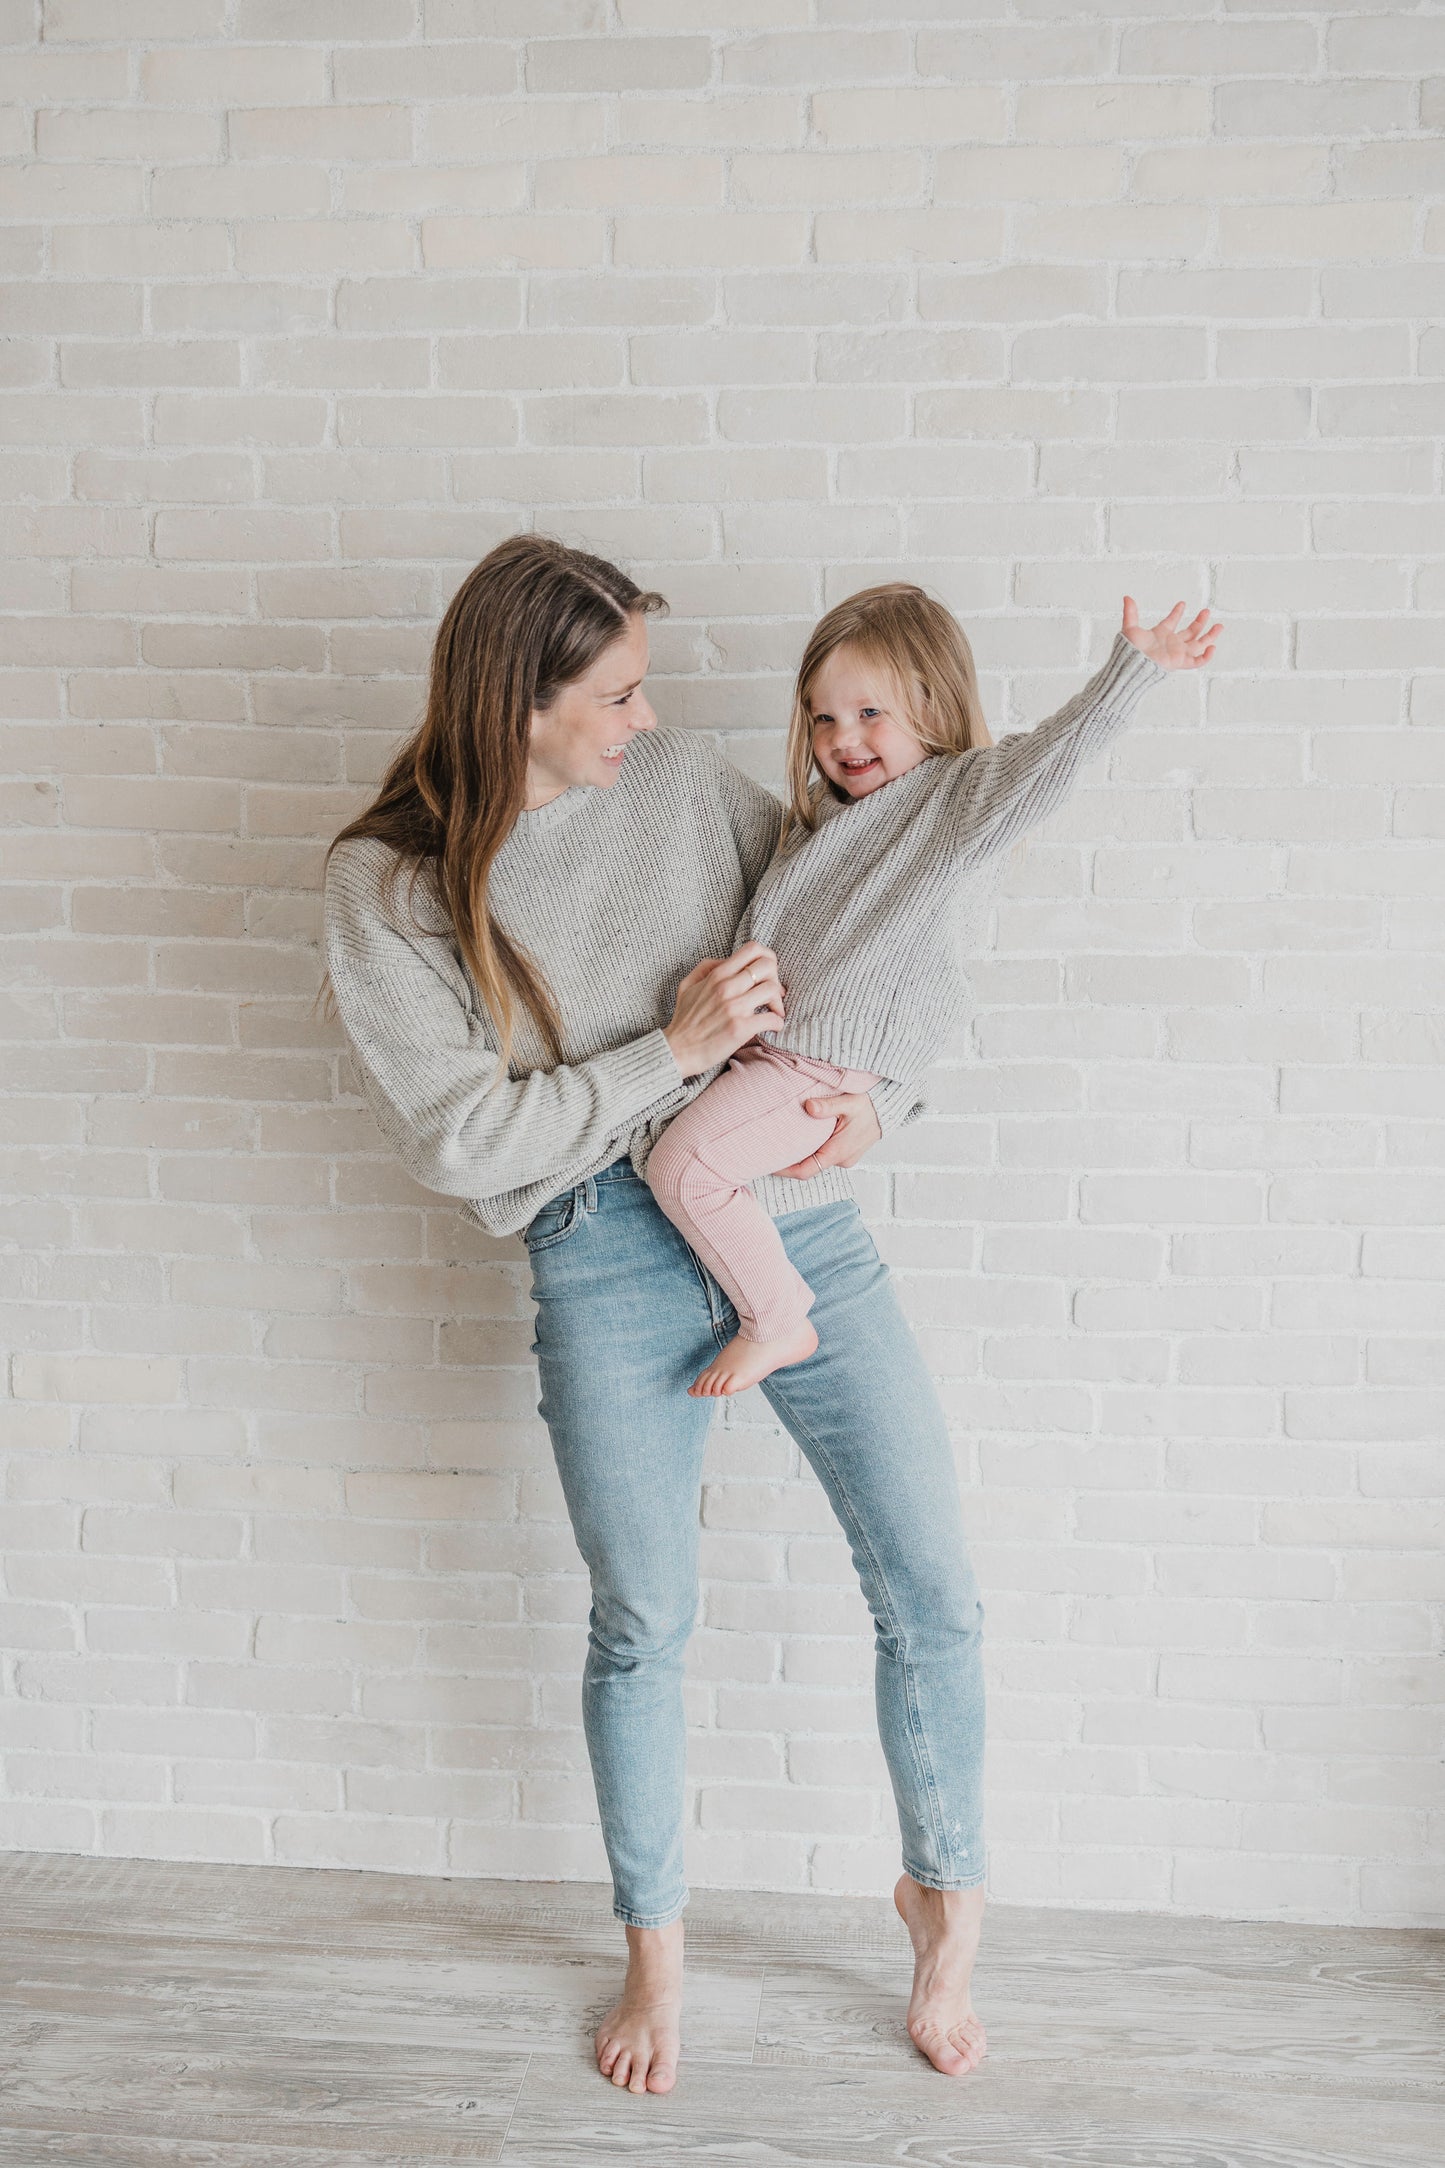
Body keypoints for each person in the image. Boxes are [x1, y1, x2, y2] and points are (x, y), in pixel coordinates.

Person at [643, 586, 1222, 1398]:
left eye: (868, 713)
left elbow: (1050, 759)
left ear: (931, 704)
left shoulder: (955, 800)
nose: (842, 740)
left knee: (686, 1169)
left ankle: (776, 1319)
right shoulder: (822, 819)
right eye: (822, 718)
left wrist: (1131, 672)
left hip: (822, 1070)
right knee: (683, 1158)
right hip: (787, 1058)